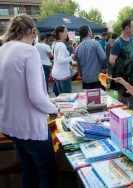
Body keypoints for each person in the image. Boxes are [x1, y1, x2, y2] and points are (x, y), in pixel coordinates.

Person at [0, 14, 58, 188]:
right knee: (47, 173)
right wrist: (53, 108)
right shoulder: (28, 51)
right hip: (30, 127)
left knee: (28, 169)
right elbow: (36, 95)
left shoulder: (2, 50)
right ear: (32, 32)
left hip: (10, 125)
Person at [76, 25, 107, 89]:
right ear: (88, 32)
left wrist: (82, 75)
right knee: (99, 97)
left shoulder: (78, 48)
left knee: (89, 97)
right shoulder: (95, 43)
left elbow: (78, 65)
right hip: (97, 77)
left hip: (86, 78)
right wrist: (104, 67)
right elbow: (103, 57)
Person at [51, 25, 75, 94]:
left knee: (61, 98)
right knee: (67, 98)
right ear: (61, 33)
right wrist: (71, 57)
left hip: (57, 73)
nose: (67, 33)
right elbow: (60, 60)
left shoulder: (55, 44)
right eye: (65, 31)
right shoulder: (61, 45)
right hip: (63, 74)